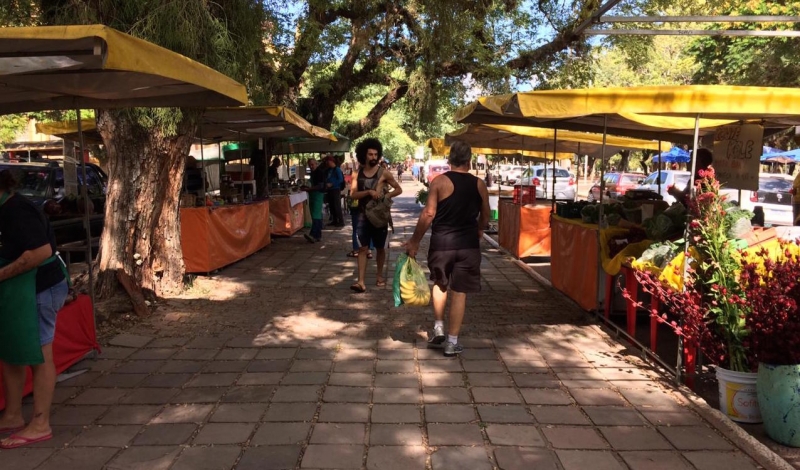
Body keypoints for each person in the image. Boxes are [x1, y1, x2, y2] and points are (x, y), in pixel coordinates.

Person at [0, 170, 68, 449]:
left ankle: (40, 423)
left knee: (39, 354)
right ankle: (13, 414)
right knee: (11, 351)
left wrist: (1, 274)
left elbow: (40, 252)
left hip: (41, 286)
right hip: (18, 289)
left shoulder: (16, 210)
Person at [405, 140, 490, 357]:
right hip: (468, 246)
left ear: (449, 160)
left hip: (442, 244)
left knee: (440, 284)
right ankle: (452, 342)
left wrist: (414, 241)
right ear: (469, 162)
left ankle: (439, 327)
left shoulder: (439, 182)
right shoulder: (479, 184)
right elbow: (486, 214)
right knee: (459, 292)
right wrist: (480, 229)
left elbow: (428, 213)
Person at [349, 138, 402, 293]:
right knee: (363, 248)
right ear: (364, 155)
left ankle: (379, 276)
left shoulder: (383, 173)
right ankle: (361, 281)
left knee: (380, 248)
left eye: (375, 154)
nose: (373, 157)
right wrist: (368, 192)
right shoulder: (356, 173)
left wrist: (386, 197)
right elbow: (353, 195)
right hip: (362, 215)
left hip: (379, 216)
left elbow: (398, 189)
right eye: (370, 154)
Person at [303, 158, 326, 243]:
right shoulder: (312, 173)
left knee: (316, 215)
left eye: (312, 164)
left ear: (316, 164)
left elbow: (320, 185)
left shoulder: (320, 172)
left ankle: (313, 234)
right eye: (310, 165)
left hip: (318, 194)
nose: (311, 166)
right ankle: (318, 235)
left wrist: (310, 189)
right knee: (317, 215)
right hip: (313, 194)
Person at [324, 155, 345, 227]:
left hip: (335, 189)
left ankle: (341, 221)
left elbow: (340, 179)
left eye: (328, 162)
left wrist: (332, 184)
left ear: (331, 162)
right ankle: (335, 220)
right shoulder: (329, 170)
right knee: (331, 205)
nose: (327, 163)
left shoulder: (337, 169)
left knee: (337, 205)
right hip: (330, 190)